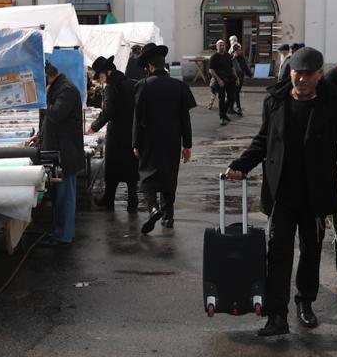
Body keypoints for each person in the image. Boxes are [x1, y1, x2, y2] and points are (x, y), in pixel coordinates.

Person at [224, 47, 337, 336]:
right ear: (290, 72)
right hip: (282, 191)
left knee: (311, 250)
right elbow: (264, 139)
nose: (300, 79)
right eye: (296, 73)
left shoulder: (333, 103)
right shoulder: (276, 101)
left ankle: (305, 301)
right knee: (278, 252)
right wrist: (241, 164)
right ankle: (277, 314)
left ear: (318, 75)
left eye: (307, 74)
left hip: (316, 191)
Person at [133, 43, 194, 234]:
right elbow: (186, 118)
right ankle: (168, 216)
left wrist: (135, 143)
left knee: (146, 177)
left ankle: (153, 209)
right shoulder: (179, 86)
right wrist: (187, 145)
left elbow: (137, 118)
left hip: (149, 139)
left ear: (150, 67)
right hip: (172, 139)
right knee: (169, 176)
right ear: (164, 64)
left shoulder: (143, 86)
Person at [28, 61, 84, 246]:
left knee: (65, 197)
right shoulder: (58, 89)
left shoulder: (67, 90)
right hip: (58, 150)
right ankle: (61, 232)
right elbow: (49, 121)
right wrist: (40, 136)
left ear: (47, 75)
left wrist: (41, 98)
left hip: (66, 153)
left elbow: (55, 114)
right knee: (61, 196)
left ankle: (64, 235)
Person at [88, 55, 139, 213]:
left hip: (117, 135)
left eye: (100, 76)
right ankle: (132, 201)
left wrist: (94, 127)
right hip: (131, 133)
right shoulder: (132, 84)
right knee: (131, 169)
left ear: (107, 72)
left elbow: (108, 112)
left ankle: (108, 198)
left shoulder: (111, 86)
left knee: (112, 169)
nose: (100, 80)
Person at [208, 39, 238, 125]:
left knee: (232, 97)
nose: (222, 47)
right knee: (221, 99)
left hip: (229, 79)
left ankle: (224, 113)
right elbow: (211, 70)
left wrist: (237, 78)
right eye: (220, 45)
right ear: (217, 46)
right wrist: (219, 80)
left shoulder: (228, 56)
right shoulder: (214, 57)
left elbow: (232, 68)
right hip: (220, 80)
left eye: (223, 45)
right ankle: (222, 117)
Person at [229, 43, 251, 116]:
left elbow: (245, 67)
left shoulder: (242, 58)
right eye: (238, 50)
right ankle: (238, 108)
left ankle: (230, 108)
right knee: (235, 94)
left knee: (235, 94)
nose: (240, 51)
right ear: (234, 51)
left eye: (240, 50)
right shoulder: (231, 58)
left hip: (240, 78)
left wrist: (250, 75)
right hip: (233, 79)